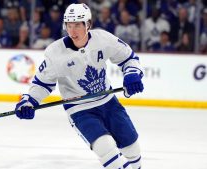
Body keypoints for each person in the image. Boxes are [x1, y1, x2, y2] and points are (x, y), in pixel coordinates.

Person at [14, 3, 144, 169]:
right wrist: (29, 101)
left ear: (88, 24)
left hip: (108, 102)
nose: (72, 31)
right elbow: (42, 83)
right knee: (105, 146)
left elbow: (129, 58)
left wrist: (132, 74)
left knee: (132, 147)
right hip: (79, 109)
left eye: (77, 25)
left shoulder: (103, 39)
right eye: (69, 25)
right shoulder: (55, 53)